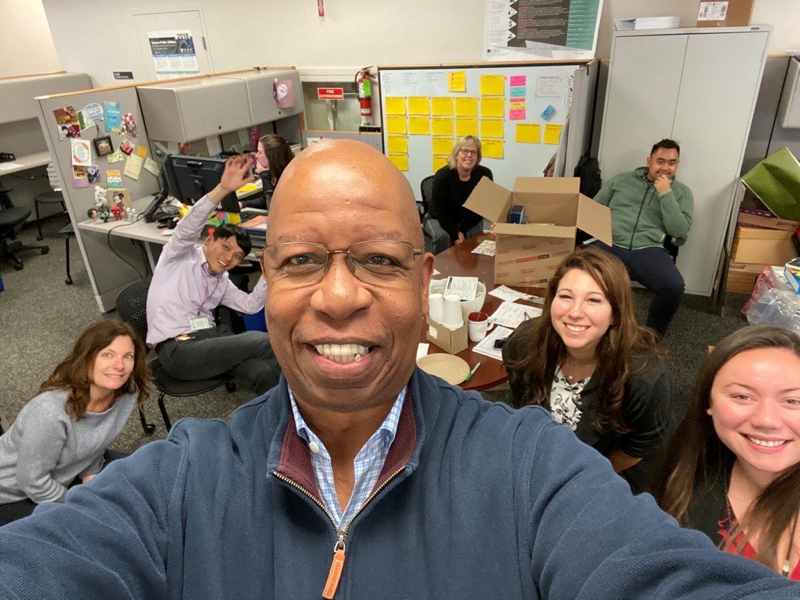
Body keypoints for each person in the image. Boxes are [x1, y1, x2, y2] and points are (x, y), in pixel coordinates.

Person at [1, 140, 798, 599]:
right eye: (304, 260)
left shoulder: (533, 471)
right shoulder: (175, 484)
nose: (341, 295)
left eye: (378, 260)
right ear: (266, 287)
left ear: (423, 286)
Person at [503, 245, 671, 493]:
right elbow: (520, 412)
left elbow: (638, 448)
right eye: (566, 296)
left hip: (605, 471)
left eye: (593, 300)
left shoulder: (645, 378)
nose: (575, 312)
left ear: (615, 313)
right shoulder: (522, 347)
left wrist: (581, 476)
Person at [654, 325, 800, 580]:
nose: (766, 420)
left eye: (793, 401)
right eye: (742, 396)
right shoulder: (682, 482)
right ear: (708, 404)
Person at [145, 154, 280, 395]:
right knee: (265, 342)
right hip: (178, 349)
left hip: (209, 339)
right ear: (209, 240)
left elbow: (249, 306)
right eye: (225, 247)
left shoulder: (221, 281)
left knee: (262, 370)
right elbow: (189, 226)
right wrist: (222, 189)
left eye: (237, 256)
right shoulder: (178, 256)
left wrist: (269, 273)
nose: (229, 258)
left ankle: (283, 419)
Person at [0, 320, 150, 526]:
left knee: (140, 482)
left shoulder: (126, 392)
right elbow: (32, 482)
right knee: (86, 532)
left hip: (68, 472)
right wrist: (82, 504)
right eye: (107, 354)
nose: (119, 366)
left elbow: (96, 440)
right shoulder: (50, 412)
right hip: (12, 494)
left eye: (128, 356)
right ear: (87, 359)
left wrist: (91, 476)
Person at [592, 139, 693, 337]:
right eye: (660, 161)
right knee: (577, 273)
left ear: (677, 164)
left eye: (671, 163)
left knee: (673, 286)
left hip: (648, 248)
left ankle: (650, 338)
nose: (665, 167)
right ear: (649, 161)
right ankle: (598, 326)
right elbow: (595, 207)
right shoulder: (621, 180)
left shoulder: (682, 193)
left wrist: (666, 194)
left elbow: (679, 230)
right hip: (610, 243)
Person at [429, 135, 493, 246]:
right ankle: (441, 263)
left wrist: (462, 230)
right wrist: (455, 236)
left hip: (468, 216)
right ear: (456, 154)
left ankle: (471, 264)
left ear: (478, 157)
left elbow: (481, 208)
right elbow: (440, 212)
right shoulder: (442, 176)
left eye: (474, 152)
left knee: (475, 235)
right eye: (465, 151)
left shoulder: (485, 174)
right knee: (442, 237)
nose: (469, 155)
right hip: (441, 216)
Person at [239, 134, 294, 211]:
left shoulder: (289, 178)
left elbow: (273, 208)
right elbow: (265, 200)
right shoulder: (274, 175)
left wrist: (265, 176)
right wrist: (243, 204)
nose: (256, 156)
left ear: (271, 157)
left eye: (259, 152)